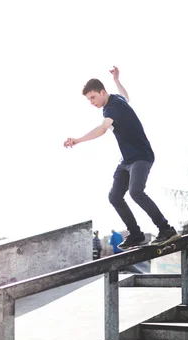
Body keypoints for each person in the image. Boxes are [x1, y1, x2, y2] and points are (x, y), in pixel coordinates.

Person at [64, 66, 180, 250]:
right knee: (115, 196)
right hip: (126, 160)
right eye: (88, 99)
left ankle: (166, 229)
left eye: (93, 97)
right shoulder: (117, 99)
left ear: (103, 92)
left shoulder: (113, 108)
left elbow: (102, 129)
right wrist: (117, 81)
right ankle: (136, 234)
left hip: (141, 156)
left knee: (136, 192)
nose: (91, 102)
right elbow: (126, 96)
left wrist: (78, 140)